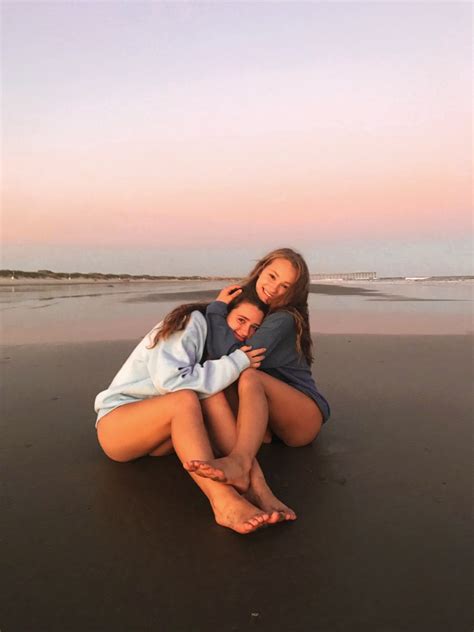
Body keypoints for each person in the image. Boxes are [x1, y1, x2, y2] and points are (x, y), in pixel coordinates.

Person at [95, 287, 281, 534]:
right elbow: (170, 381)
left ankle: (258, 486)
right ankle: (223, 501)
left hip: (158, 437)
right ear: (223, 312)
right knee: (184, 398)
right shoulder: (192, 321)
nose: (244, 332)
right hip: (118, 425)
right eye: (241, 320)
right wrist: (237, 362)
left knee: (209, 394)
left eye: (254, 329)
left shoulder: (216, 344)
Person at [185, 247, 331, 493]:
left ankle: (241, 461)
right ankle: (249, 441)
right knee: (220, 381)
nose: (274, 289)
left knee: (247, 372)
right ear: (261, 269)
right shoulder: (259, 312)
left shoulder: (283, 319)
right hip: (273, 419)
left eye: (285, 286)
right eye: (272, 276)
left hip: (304, 418)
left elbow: (232, 356)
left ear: (294, 293)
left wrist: (217, 309)